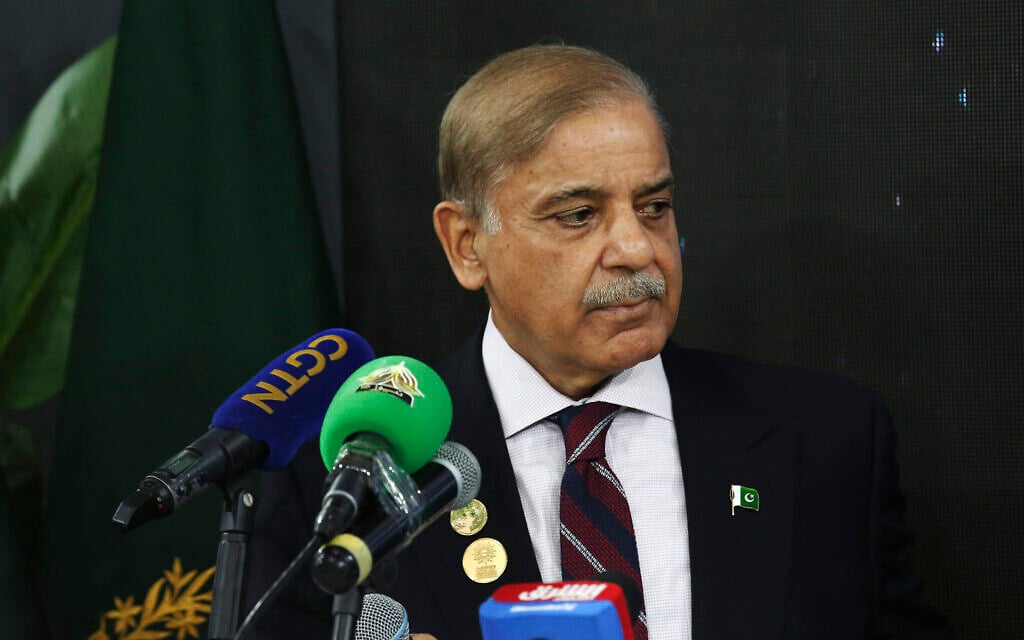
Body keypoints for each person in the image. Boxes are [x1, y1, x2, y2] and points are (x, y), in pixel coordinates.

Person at [247, 44, 947, 639]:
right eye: (579, 215)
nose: (638, 250)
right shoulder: (337, 485)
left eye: (655, 206)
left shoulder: (828, 440)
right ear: (466, 245)